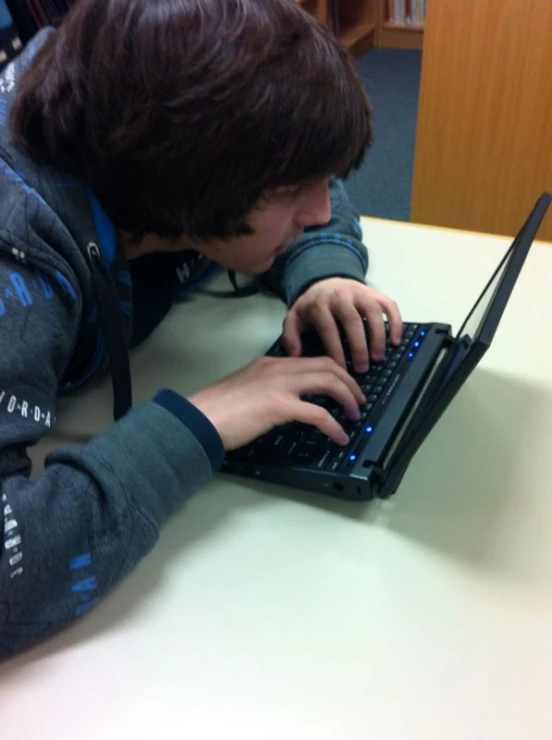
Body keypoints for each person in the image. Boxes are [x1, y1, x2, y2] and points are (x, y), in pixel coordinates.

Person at [0, 0, 402, 659]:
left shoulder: (162, 141)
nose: (323, 208)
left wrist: (324, 272)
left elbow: (296, 168)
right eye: (291, 189)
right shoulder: (18, 246)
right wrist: (205, 419)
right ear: (181, 174)